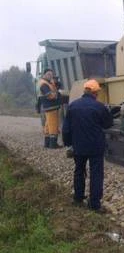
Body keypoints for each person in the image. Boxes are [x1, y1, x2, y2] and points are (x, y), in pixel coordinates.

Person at [62, 79, 113, 212]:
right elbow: (108, 124)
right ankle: (94, 204)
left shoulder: (73, 106)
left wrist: (69, 144)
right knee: (96, 174)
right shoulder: (99, 107)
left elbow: (66, 129)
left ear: (84, 91)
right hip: (96, 147)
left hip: (78, 146)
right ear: (95, 93)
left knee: (79, 171)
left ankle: (78, 199)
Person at [39, 69, 61, 148]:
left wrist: (56, 84)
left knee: (48, 125)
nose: (50, 76)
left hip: (50, 107)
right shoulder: (43, 84)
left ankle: (47, 144)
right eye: (48, 74)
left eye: (51, 74)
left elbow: (55, 87)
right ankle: (53, 144)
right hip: (51, 107)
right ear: (44, 75)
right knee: (53, 125)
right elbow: (49, 95)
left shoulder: (48, 82)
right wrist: (56, 95)